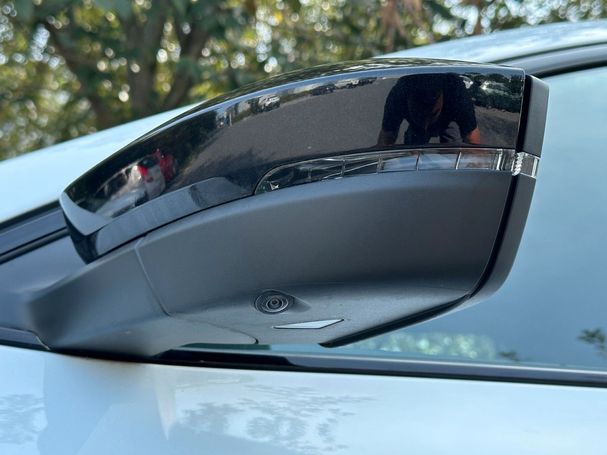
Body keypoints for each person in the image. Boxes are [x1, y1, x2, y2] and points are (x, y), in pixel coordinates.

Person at [377, 73, 481, 146]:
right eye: (419, 115)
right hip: (416, 127)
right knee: (411, 153)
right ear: (407, 99)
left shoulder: (457, 94)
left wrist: (473, 161)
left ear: (442, 96)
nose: (426, 125)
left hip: (447, 121)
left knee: (454, 149)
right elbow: (386, 138)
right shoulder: (398, 96)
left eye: (431, 114)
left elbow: (473, 142)